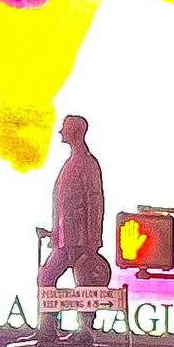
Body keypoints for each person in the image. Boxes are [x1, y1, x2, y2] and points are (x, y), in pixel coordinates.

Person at [48, 110, 111, 287]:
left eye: (65, 128)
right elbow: (62, 206)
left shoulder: (87, 163)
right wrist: (54, 233)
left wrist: (93, 240)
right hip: (65, 241)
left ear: (75, 132)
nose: (60, 132)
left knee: (84, 286)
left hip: (81, 243)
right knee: (46, 279)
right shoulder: (70, 163)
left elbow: (95, 202)